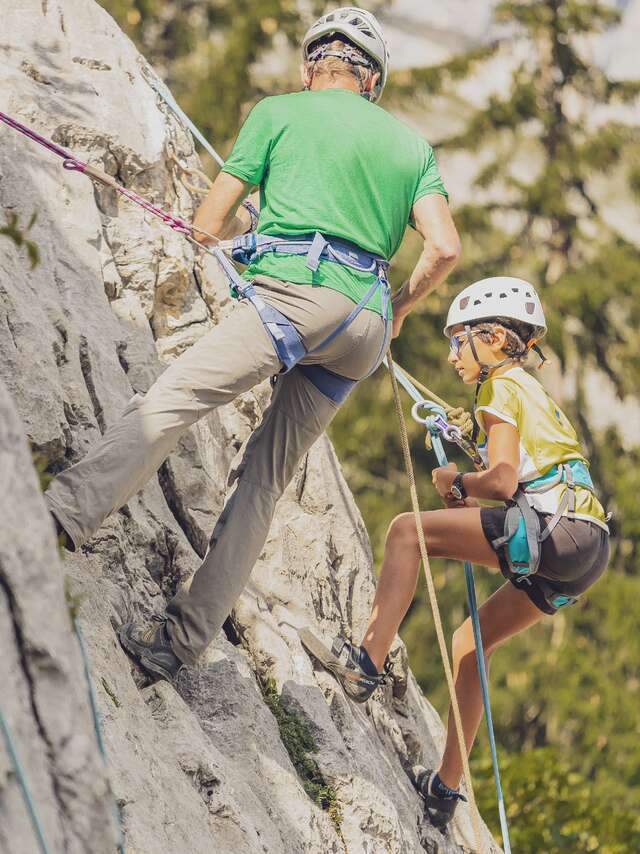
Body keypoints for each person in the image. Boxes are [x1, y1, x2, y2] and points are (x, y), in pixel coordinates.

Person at [44, 7, 460, 682]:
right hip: (365, 324)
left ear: (311, 67)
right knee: (264, 479)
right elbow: (443, 247)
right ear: (372, 80)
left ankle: (60, 516)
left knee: (176, 397)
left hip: (294, 296)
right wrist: (403, 310)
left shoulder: (278, 112)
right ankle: (176, 645)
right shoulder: (412, 147)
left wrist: (249, 229)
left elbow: (205, 226)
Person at [316, 277, 610, 828]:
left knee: (408, 530)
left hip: (555, 530)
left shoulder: (501, 388)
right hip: (586, 548)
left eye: (460, 342)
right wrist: (469, 441)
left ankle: (365, 663)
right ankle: (446, 788)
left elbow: (500, 482)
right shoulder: (526, 391)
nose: (453, 355)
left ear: (495, 337)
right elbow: (522, 471)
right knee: (469, 643)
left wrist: (457, 480)